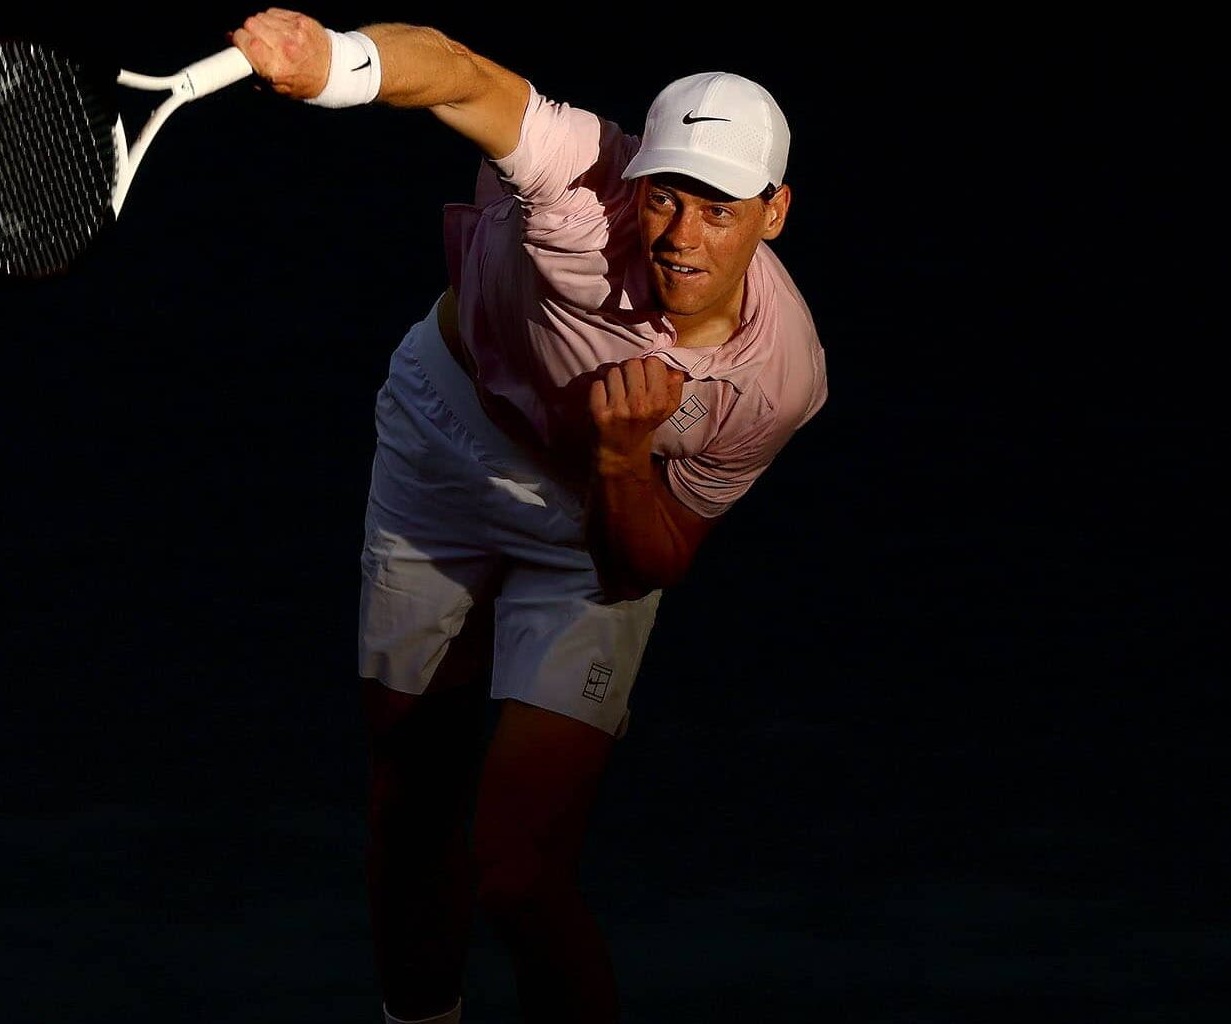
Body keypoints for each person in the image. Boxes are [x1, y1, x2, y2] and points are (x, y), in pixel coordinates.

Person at [229, 10, 828, 1023]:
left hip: (598, 506)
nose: (681, 235)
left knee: (516, 871)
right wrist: (335, 64)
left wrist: (620, 461)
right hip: (447, 440)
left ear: (773, 213)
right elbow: (460, 77)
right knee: (411, 793)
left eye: (719, 209)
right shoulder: (584, 176)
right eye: (667, 195)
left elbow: (656, 560)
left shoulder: (779, 382)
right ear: (638, 177)